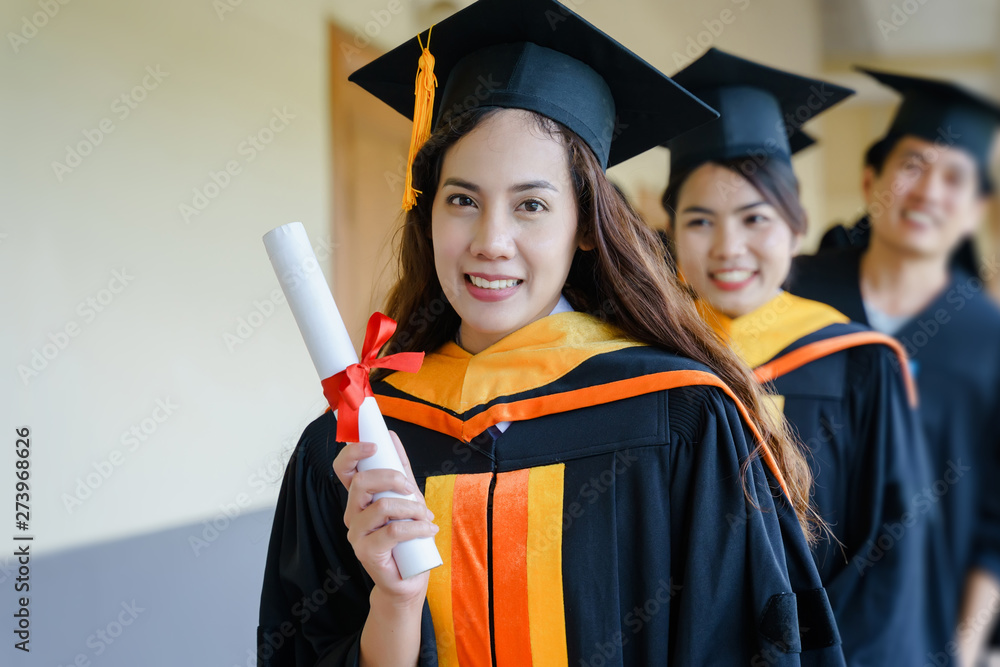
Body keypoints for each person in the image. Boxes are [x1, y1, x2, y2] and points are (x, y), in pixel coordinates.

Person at [256, 1, 846, 665]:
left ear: (587, 225)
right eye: (462, 199)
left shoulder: (678, 416)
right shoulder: (355, 446)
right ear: (427, 214)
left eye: (531, 204)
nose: (491, 242)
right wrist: (393, 603)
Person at [660, 48, 930, 666]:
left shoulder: (859, 361)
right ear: (670, 230)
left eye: (755, 217)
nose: (729, 247)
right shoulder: (647, 364)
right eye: (699, 220)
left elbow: (890, 549)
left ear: (796, 224)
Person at [789, 68, 1000, 666]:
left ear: (974, 209)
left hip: (915, 640)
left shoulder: (990, 342)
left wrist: (965, 649)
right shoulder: (792, 296)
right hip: (782, 627)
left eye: (955, 177)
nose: (929, 192)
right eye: (912, 165)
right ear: (869, 178)